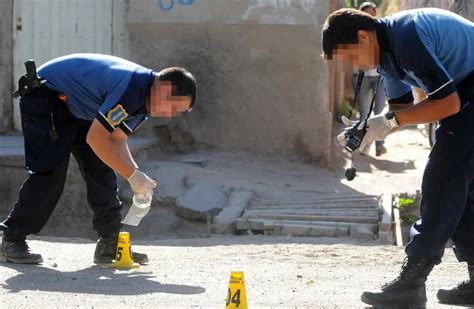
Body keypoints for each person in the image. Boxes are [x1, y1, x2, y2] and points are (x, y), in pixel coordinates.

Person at [322, 7, 474, 307]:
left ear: (363, 37)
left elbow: (448, 104)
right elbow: (403, 109)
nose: (353, 66)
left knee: (443, 179)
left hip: (466, 92)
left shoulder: (408, 37)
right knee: (461, 187)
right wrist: (371, 128)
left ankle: (412, 282)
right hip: (464, 91)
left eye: (351, 57)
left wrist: (388, 123)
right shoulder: (386, 56)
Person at [0, 53, 196, 265]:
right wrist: (132, 175)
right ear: (165, 90)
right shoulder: (132, 87)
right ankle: (10, 238)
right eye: (174, 107)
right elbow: (96, 138)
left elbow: (117, 140)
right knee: (50, 172)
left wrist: (135, 175)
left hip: (77, 109)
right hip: (47, 96)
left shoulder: (144, 102)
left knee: (101, 167)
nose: (170, 115)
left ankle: (110, 243)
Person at [351, 1, 387, 156]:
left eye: (372, 13)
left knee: (380, 113)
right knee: (364, 112)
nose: (370, 16)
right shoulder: (355, 32)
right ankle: (364, 145)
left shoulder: (382, 29)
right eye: (367, 13)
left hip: (380, 77)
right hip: (361, 77)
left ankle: (380, 145)